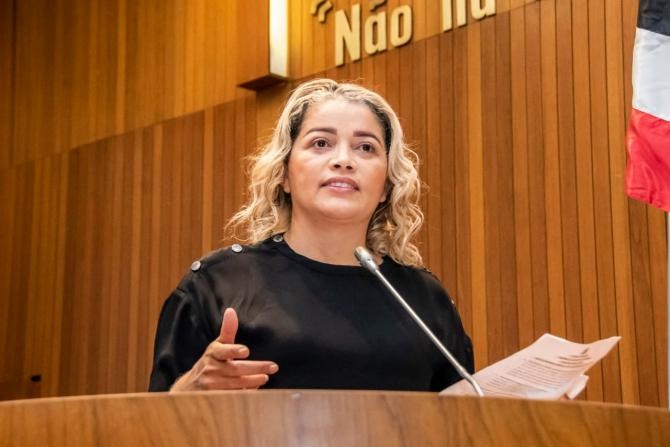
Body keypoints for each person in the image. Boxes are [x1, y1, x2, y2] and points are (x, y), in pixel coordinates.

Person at [148, 78, 474, 392]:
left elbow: (467, 417)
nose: (343, 160)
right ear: (284, 174)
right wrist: (187, 391)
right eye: (321, 143)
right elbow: (148, 422)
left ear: (387, 186)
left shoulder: (424, 300)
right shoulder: (217, 285)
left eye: (365, 147)